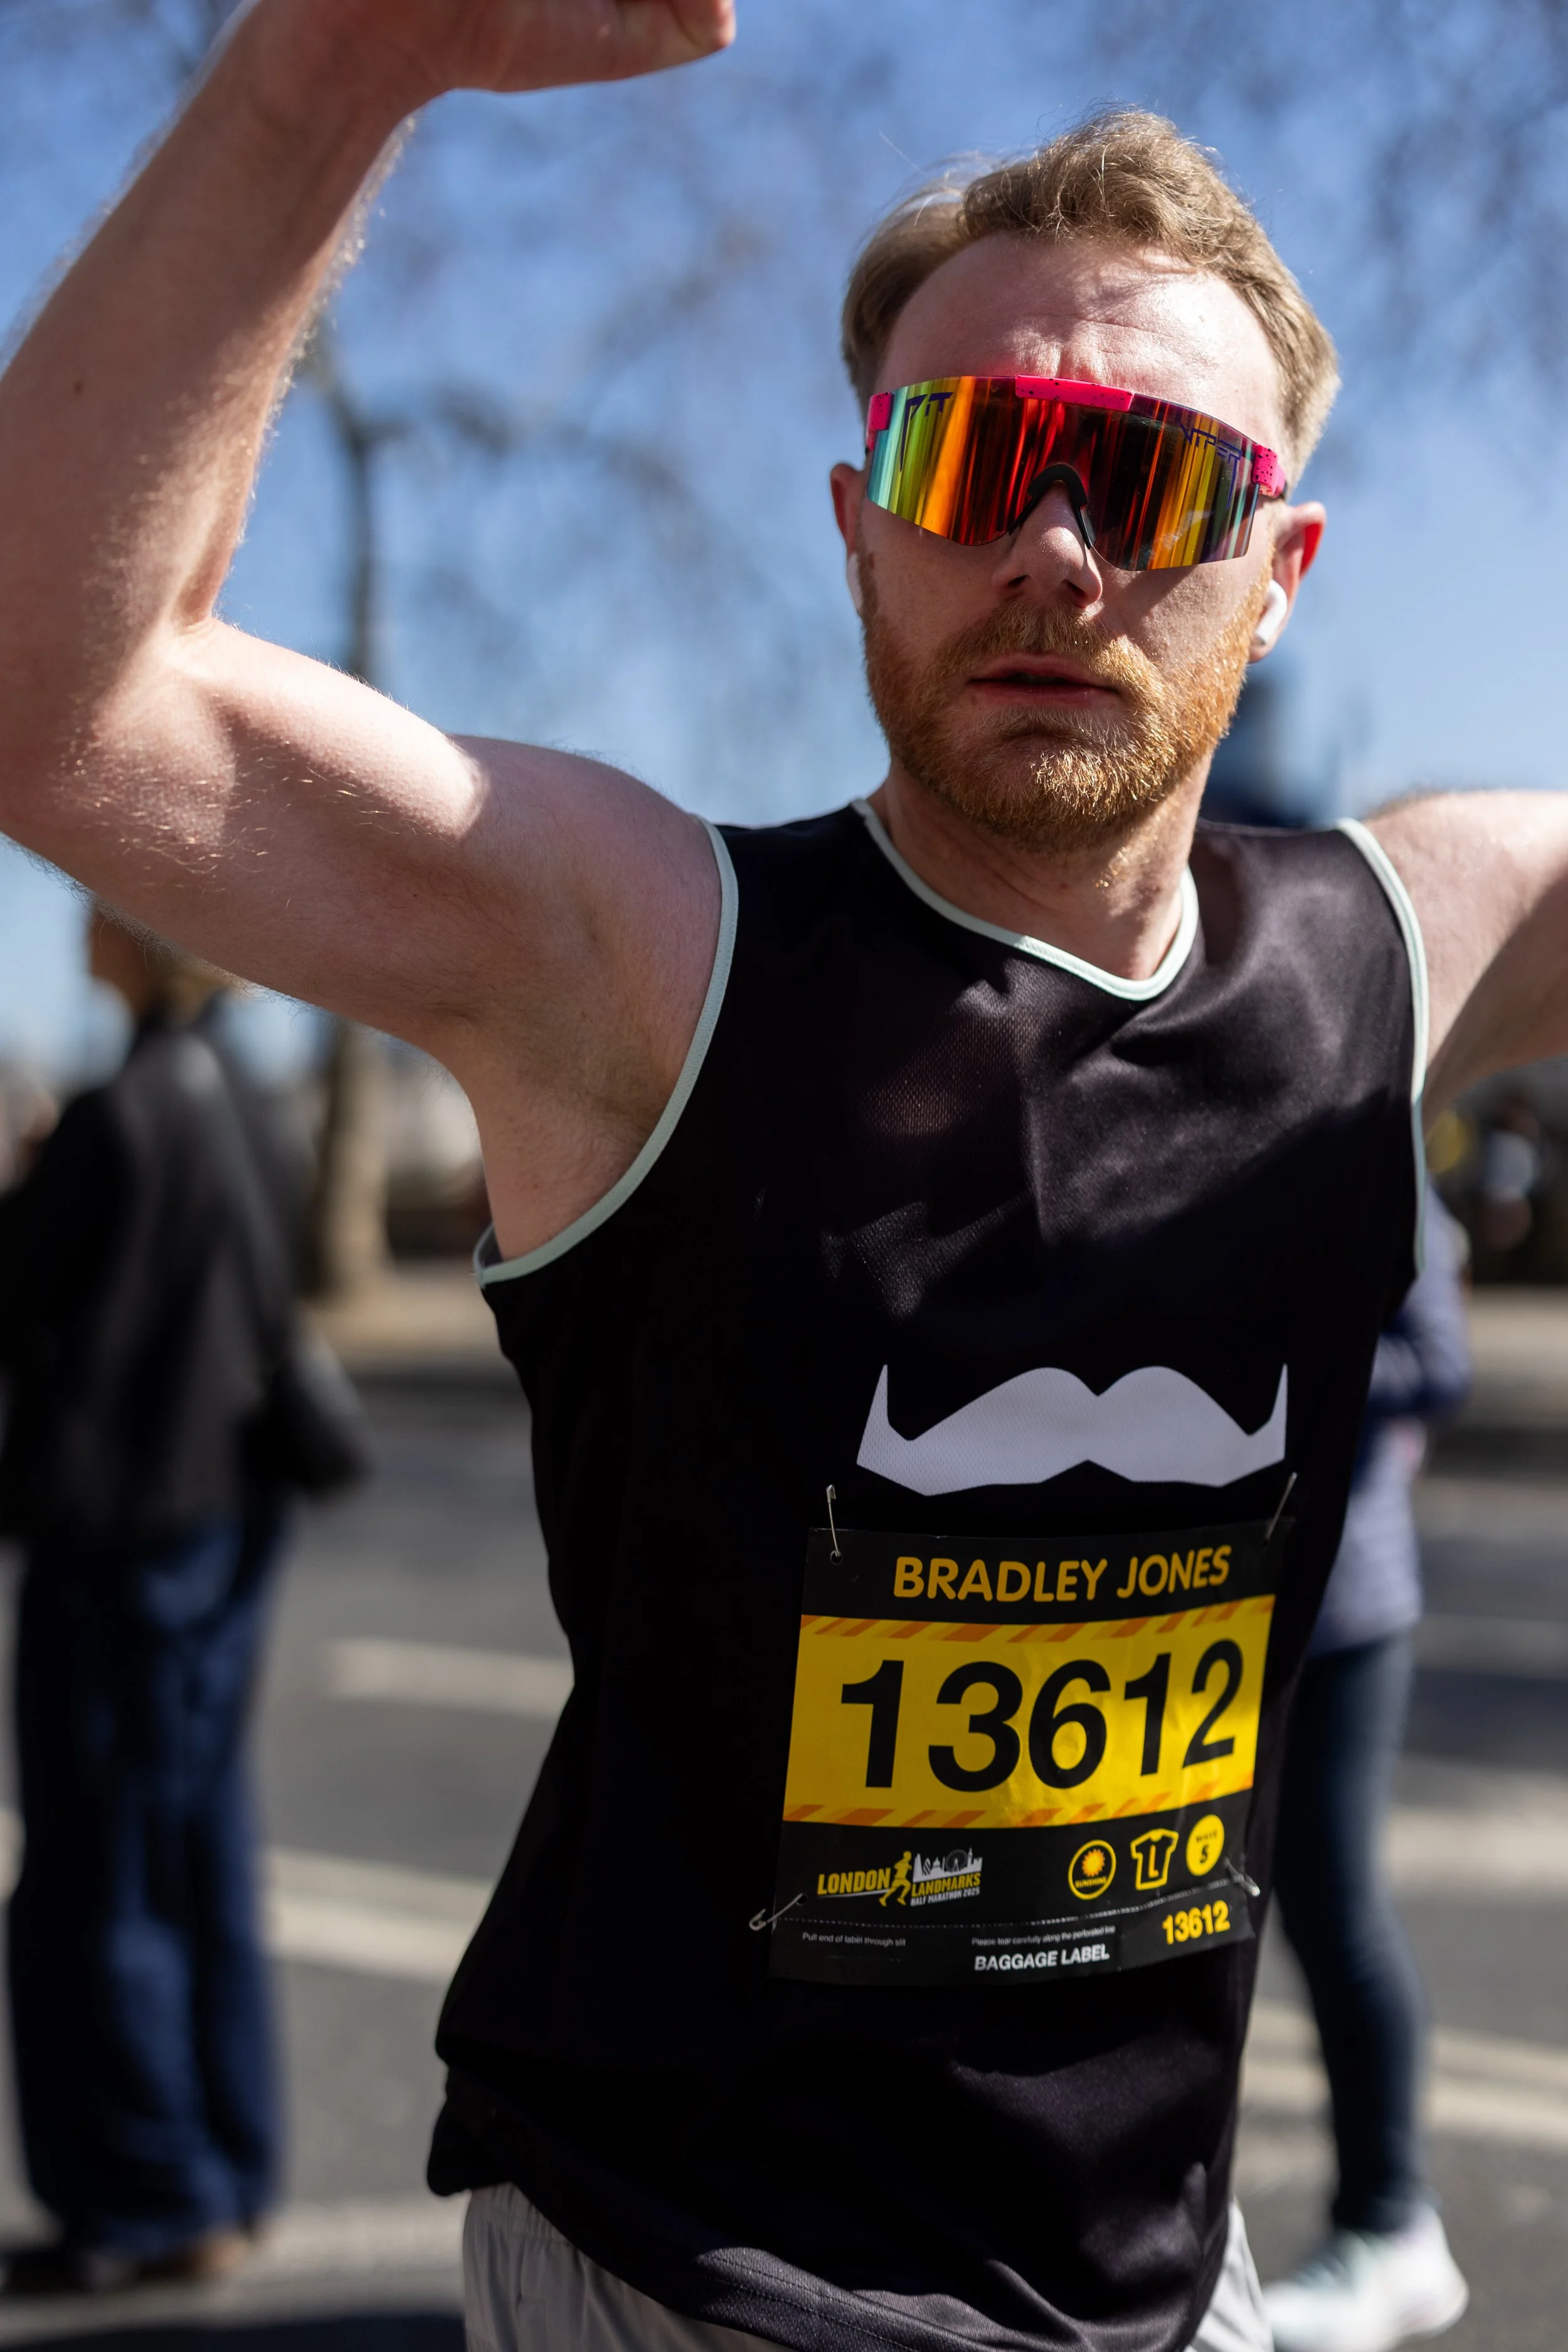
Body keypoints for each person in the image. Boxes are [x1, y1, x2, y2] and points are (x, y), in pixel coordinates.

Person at [3, 9, 1568, 2346]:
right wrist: (332, 70)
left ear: (1278, 566)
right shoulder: (643, 958)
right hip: (699, 2274)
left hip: (1160, 2275)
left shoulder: (1395, 943)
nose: (1049, 545)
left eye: (1143, 482)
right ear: (861, 518)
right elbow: (60, 699)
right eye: (975, 458)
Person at [0, 908, 302, 2291]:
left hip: (120, 1535)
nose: (76, 921)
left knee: (95, 1874)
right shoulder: (246, 1096)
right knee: (198, 1855)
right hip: (228, 1525)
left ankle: (148, 2194)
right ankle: (225, 2169)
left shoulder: (121, 1113)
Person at [1263, 1192, 1473, 2352]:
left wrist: (1253, 1329)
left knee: (1336, 1917)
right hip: (1211, 1611)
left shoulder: (1371, 1144)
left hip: (1341, 1616)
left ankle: (1393, 2226)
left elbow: (1438, 1364)